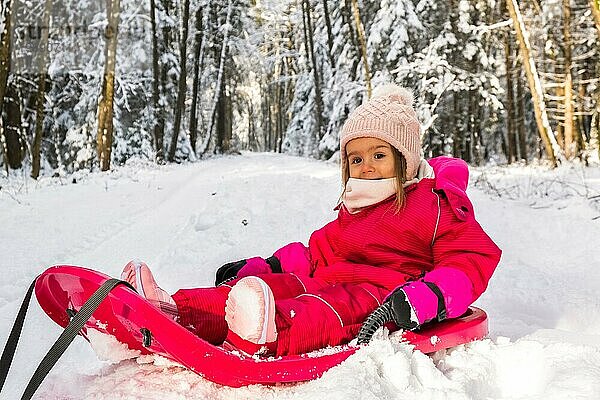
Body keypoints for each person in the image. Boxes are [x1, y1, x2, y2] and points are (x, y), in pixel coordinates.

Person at [121, 84, 502, 357]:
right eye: (356, 159)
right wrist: (263, 266)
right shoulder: (355, 208)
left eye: (378, 155)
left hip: (384, 294)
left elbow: (470, 260)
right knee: (277, 286)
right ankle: (174, 310)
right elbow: (316, 251)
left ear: (404, 160)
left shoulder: (435, 204)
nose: (365, 166)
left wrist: (429, 297)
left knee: (325, 308)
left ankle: (267, 332)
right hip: (328, 275)